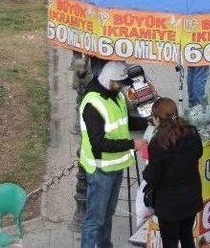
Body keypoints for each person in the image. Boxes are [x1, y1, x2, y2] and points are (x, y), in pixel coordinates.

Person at [79, 61, 147, 248]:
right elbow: (99, 143)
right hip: (101, 169)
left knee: (107, 215)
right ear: (109, 80)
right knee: (95, 219)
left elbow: (125, 122)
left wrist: (148, 122)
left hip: (115, 166)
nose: (122, 87)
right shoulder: (93, 103)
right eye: (119, 83)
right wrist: (132, 143)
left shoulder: (115, 95)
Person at [143, 98, 203, 248]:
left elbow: (153, 177)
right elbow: (199, 153)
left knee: (170, 243)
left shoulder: (158, 143)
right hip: (190, 198)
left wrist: (146, 172)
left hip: (169, 204)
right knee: (187, 236)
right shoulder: (191, 132)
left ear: (157, 119)